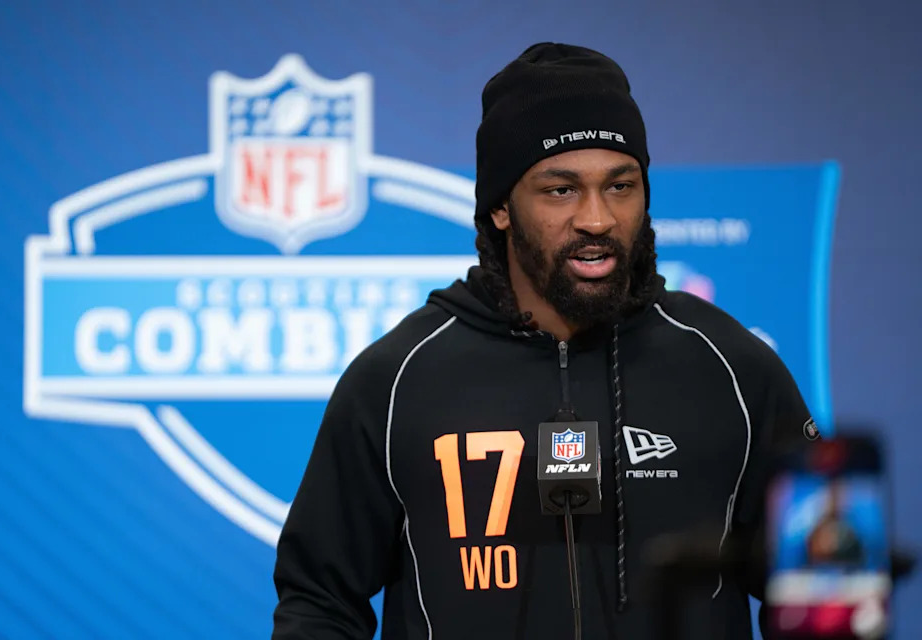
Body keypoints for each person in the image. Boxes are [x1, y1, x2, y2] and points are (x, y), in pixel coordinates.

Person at [272, 42, 815, 639]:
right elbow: (319, 602)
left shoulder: (731, 368)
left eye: (621, 186)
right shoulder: (398, 379)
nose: (598, 219)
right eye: (561, 190)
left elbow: (820, 585)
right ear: (501, 207)